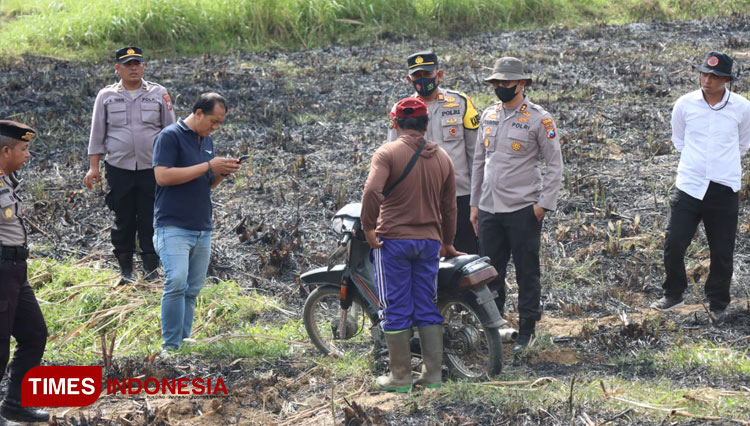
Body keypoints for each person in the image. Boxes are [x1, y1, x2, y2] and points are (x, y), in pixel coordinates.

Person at [362, 97, 460, 392]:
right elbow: (450, 208)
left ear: (395, 123)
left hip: (393, 242)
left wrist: (368, 227)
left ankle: (400, 377)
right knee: (426, 305)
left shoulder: (387, 153)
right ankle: (432, 375)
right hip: (429, 243)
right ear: (426, 124)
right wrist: (448, 242)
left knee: (394, 307)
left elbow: (371, 192)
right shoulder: (443, 158)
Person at [470, 57, 563, 352]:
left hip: (523, 209)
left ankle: (527, 331)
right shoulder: (488, 115)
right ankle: (494, 329)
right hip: (489, 208)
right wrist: (474, 205)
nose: (500, 87)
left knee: (526, 272)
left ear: (522, 83)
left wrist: (542, 206)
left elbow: (555, 166)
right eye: (496, 82)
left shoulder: (539, 119)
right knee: (489, 273)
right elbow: (478, 163)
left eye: (506, 82)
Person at [651, 51, 750, 324]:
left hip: (723, 188)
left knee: (722, 250)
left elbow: (743, 144)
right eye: (704, 73)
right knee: (673, 242)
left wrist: (719, 166)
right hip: (689, 186)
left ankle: (718, 302)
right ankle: (673, 293)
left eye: (714, 76)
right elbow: (679, 140)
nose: (707, 80)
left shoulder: (742, 108)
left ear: (727, 80)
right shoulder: (684, 104)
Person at [152, 93, 240, 353]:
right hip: (173, 225)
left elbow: (205, 183)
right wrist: (207, 165)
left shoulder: (207, 141)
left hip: (202, 226)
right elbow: (163, 176)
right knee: (176, 281)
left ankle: (183, 343)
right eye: (213, 121)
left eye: (220, 123)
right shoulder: (169, 137)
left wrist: (220, 173)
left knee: (191, 289)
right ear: (198, 112)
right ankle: (169, 346)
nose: (215, 127)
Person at [84, 46, 176, 284]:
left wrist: (173, 165)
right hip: (118, 167)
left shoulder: (159, 93)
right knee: (123, 219)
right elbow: (97, 134)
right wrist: (94, 167)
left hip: (152, 168)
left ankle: (151, 270)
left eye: (137, 63)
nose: (133, 67)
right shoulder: (106, 96)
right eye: (127, 64)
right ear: (118, 68)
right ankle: (126, 271)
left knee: (151, 218)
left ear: (144, 66)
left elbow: (170, 131)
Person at [387, 50, 480, 254]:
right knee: (429, 261)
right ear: (408, 79)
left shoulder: (461, 103)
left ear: (439, 75)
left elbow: (476, 156)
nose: (422, 81)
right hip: (420, 200)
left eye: (427, 75)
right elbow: (392, 158)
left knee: (469, 259)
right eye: (417, 77)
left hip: (460, 196)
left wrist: (478, 200)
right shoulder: (400, 110)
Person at [0, 121, 50, 424]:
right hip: (1, 270)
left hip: (17, 270)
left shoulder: (7, 179)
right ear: (6, 150)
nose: (28, 154)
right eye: (23, 148)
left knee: (34, 334)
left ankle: (14, 403)